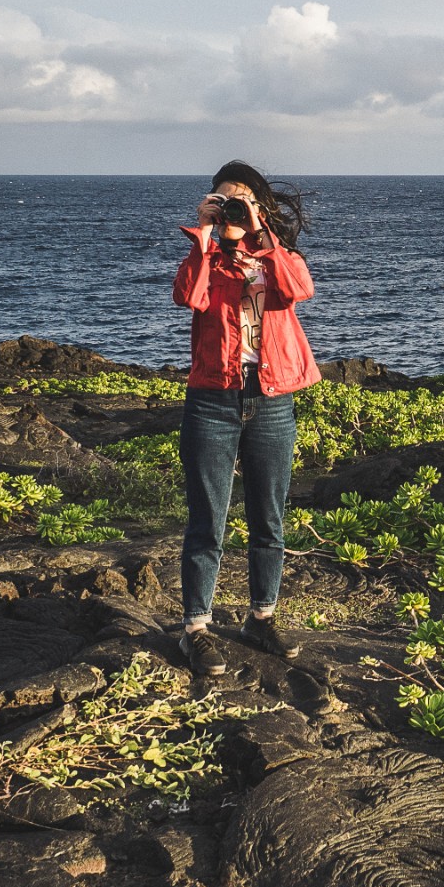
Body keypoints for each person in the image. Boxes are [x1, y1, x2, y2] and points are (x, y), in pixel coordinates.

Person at [171, 159, 321, 676]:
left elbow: (298, 291)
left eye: (242, 200)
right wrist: (204, 235)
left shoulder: (280, 256)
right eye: (224, 199)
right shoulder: (207, 258)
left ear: (259, 207)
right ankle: (196, 627)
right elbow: (186, 297)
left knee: (268, 518)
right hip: (213, 400)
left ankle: (262, 616)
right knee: (207, 520)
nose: (233, 207)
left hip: (273, 399)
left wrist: (260, 233)